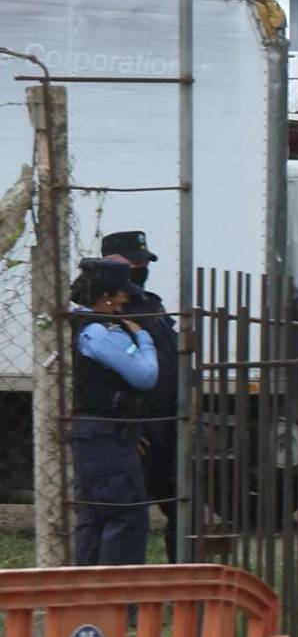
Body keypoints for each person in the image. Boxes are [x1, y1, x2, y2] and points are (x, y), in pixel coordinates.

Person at [68, 258, 159, 566]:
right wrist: (143, 338)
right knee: (126, 518)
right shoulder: (102, 331)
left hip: (94, 430)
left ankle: (88, 606)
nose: (125, 300)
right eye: (121, 293)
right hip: (105, 433)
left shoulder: (80, 323)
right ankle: (119, 607)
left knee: (94, 519)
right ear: (106, 295)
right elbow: (145, 375)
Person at [102, 231, 180, 559]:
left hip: (168, 424)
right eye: (135, 261)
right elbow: (98, 377)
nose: (142, 267)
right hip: (135, 429)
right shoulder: (103, 312)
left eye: (144, 261)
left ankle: (182, 589)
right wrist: (122, 421)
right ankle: (122, 596)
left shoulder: (151, 305)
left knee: (182, 511)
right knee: (127, 517)